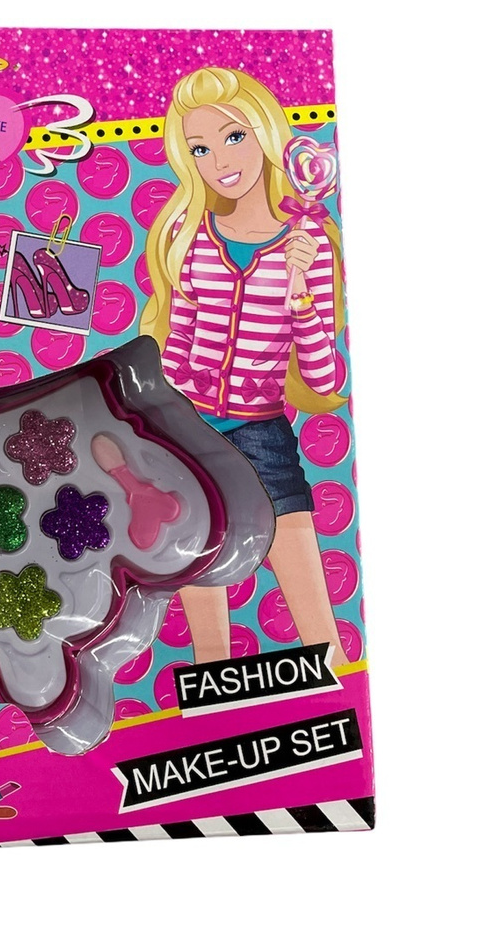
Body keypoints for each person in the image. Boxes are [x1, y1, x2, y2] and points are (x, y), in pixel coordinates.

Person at [140, 66, 347, 668]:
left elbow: (326, 379)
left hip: (261, 430)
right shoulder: (191, 236)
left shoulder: (308, 243)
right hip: (188, 429)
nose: (219, 161)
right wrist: (158, 418)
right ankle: (214, 704)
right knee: (209, 643)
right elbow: (179, 338)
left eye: (233, 137)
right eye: (200, 149)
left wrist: (300, 295)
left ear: (264, 132)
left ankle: (331, 701)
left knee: (323, 639)